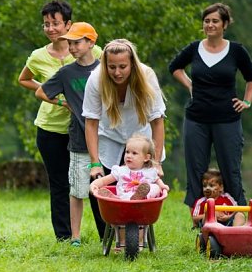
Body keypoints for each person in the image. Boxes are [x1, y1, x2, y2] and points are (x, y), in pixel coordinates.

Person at [18, 0, 102, 241]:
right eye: (46, 24)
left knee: (96, 180)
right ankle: (65, 237)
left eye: (55, 23)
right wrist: (60, 99)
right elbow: (24, 80)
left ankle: (104, 232)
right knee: (60, 184)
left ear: (68, 24)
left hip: (87, 128)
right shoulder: (37, 56)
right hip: (51, 128)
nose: (50, 28)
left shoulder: (92, 51)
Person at [169, 2, 252, 212]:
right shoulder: (194, 48)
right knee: (196, 170)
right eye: (206, 21)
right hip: (196, 119)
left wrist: (247, 101)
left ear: (225, 24)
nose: (210, 25)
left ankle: (237, 217)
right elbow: (175, 67)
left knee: (230, 170)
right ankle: (200, 220)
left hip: (227, 119)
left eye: (215, 21)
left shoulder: (236, 50)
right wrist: (190, 84)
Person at [82, 39, 167, 233]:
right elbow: (91, 122)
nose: (117, 72)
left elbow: (157, 121)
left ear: (132, 65)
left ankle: (137, 234)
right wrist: (94, 163)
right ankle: (108, 235)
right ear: (105, 65)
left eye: (122, 66)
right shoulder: (96, 79)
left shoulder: (146, 76)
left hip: (140, 138)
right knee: (100, 186)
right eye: (112, 67)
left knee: (142, 185)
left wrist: (155, 161)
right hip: (109, 137)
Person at [35, 22, 106, 246]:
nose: (72, 47)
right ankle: (75, 237)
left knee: (105, 189)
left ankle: (111, 233)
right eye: (70, 43)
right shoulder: (66, 73)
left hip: (107, 138)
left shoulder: (105, 69)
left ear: (91, 43)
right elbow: (41, 91)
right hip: (78, 139)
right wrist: (65, 103)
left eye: (77, 42)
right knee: (77, 189)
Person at [90, 134, 169, 200]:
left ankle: (141, 196)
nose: (129, 156)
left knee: (156, 187)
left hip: (144, 203)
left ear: (146, 158)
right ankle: (114, 198)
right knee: (124, 196)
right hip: (124, 199)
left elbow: (158, 180)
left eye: (134, 153)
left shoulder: (150, 171)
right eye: (127, 152)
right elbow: (103, 181)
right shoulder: (120, 171)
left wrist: (163, 186)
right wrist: (94, 185)